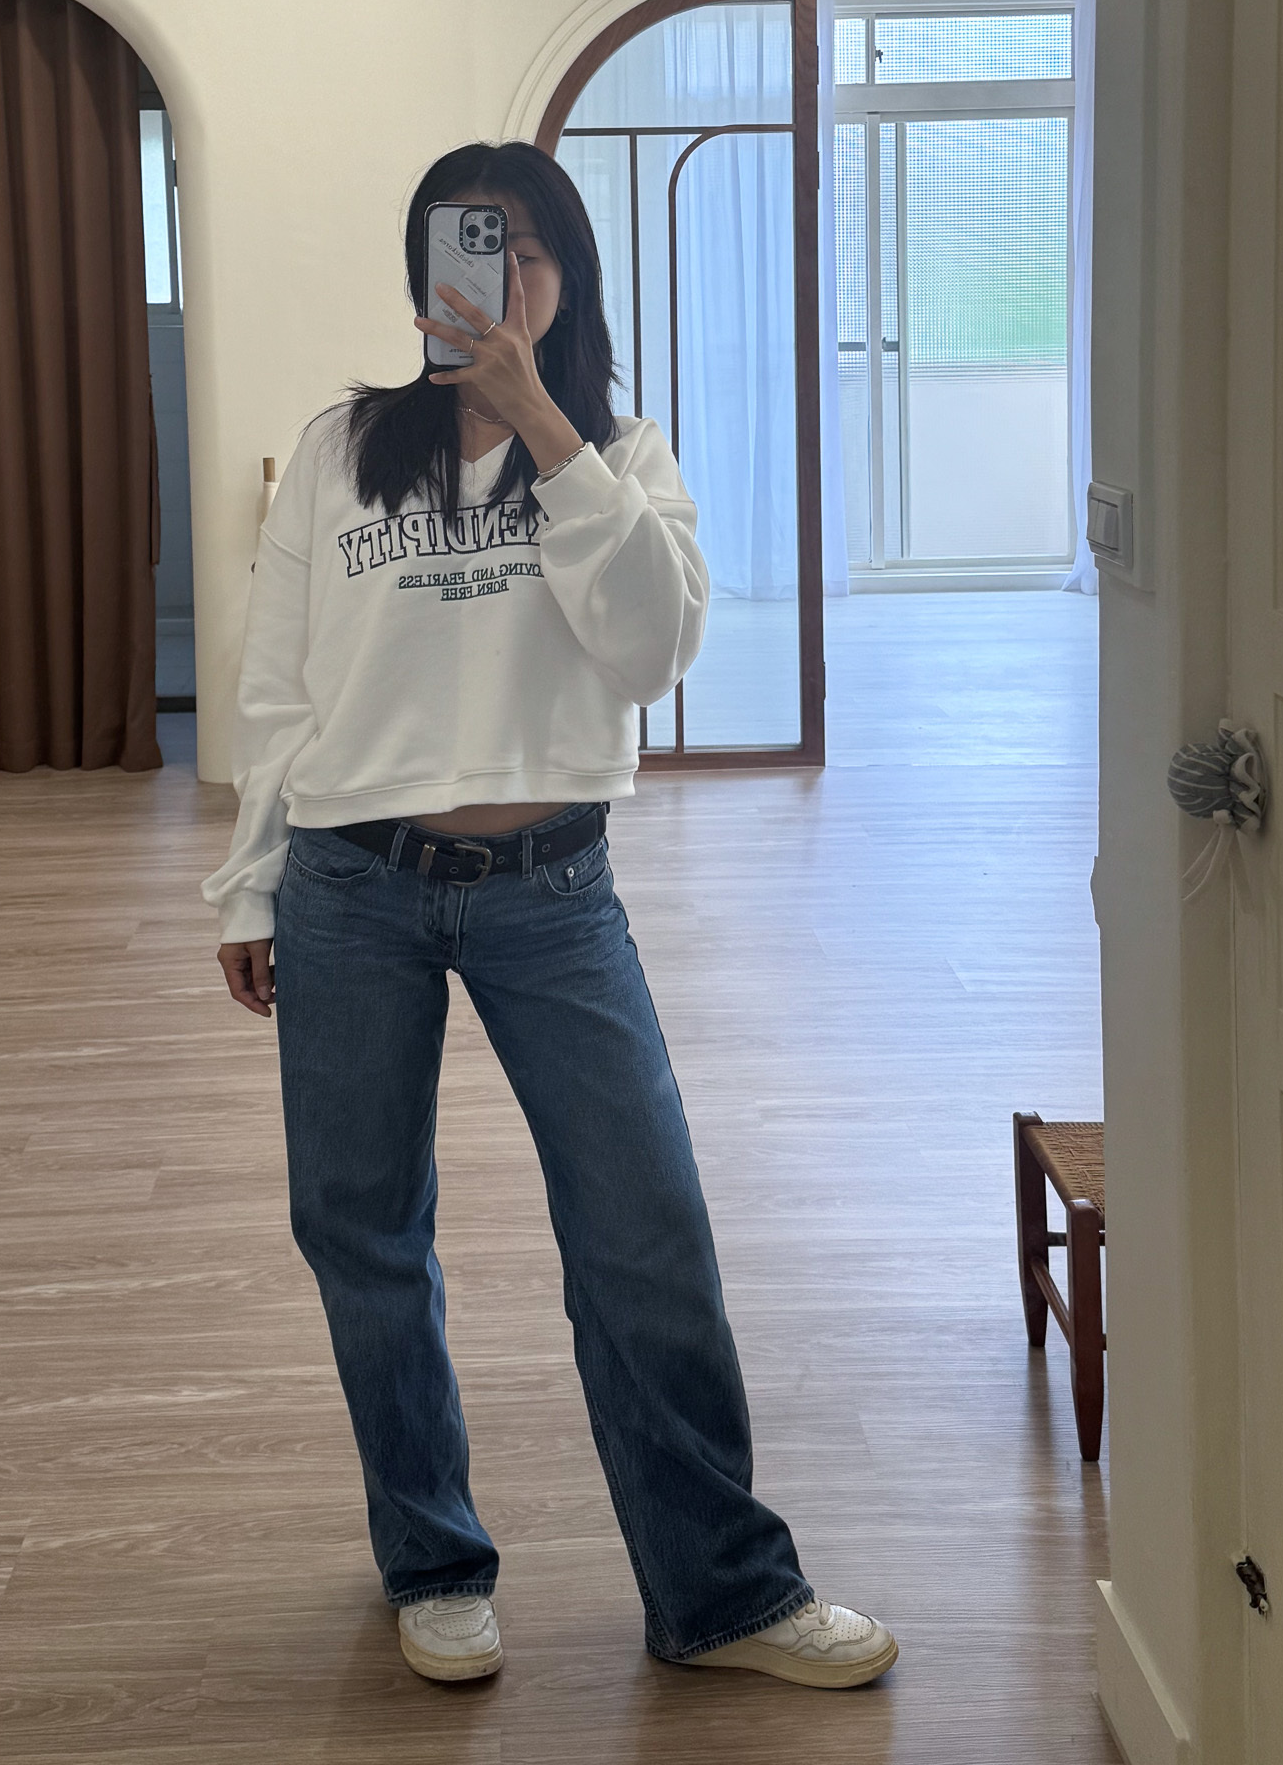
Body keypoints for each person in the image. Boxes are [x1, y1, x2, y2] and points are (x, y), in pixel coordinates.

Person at [202, 141, 898, 1692]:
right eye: (467, 246)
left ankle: (723, 1591)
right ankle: (433, 1563)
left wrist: (542, 424)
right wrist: (249, 881)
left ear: (568, 274)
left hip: (554, 894)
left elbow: (650, 651)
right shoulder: (342, 448)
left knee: (645, 1230)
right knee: (363, 1232)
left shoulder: (621, 456)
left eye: (523, 249)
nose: (496, 276)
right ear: (421, 277)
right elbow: (278, 684)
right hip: (350, 887)